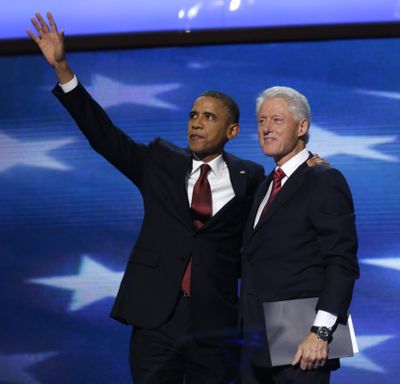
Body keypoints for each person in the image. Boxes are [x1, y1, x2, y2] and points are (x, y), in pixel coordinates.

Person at [27, 12, 265, 383]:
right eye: (192, 115)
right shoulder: (161, 162)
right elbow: (104, 137)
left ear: (231, 130)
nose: (196, 123)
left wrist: (306, 161)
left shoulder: (250, 176)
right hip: (156, 320)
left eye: (208, 117)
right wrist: (63, 70)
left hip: (215, 325)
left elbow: (271, 231)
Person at [240, 86, 360, 384]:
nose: (266, 128)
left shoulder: (324, 179)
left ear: (302, 126)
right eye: (261, 120)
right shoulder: (266, 184)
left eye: (277, 120)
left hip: (301, 344)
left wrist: (321, 333)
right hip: (256, 344)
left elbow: (341, 262)